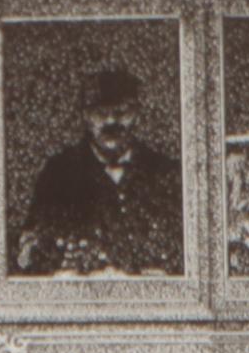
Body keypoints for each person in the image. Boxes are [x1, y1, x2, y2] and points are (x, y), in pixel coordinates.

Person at [14, 66, 182, 275]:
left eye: (122, 111)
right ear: (85, 115)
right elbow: (35, 255)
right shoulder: (58, 175)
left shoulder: (165, 173)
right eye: (101, 112)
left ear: (137, 112)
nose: (111, 121)